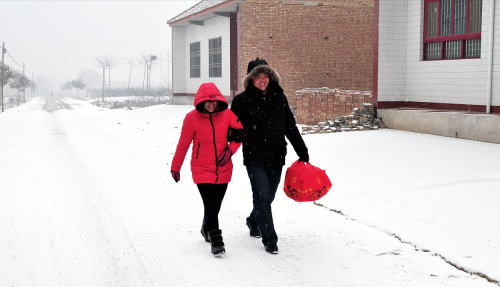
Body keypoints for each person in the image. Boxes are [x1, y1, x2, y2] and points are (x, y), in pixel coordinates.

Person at [230, 58, 309, 254]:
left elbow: (290, 126)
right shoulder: (241, 100)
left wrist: (302, 150)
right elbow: (230, 128)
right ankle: (270, 239)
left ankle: (253, 220)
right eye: (258, 76)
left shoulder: (279, 98)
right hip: (254, 157)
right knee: (263, 195)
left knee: (269, 195)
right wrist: (234, 139)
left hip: (276, 156)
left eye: (265, 76)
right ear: (251, 79)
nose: (262, 80)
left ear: (271, 77)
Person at [171, 82, 243, 256]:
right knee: (211, 204)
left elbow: (240, 133)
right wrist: (176, 166)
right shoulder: (191, 118)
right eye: (207, 101)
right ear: (200, 102)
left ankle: (206, 227)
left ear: (219, 101)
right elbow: (183, 144)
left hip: (223, 167)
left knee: (215, 205)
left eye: (214, 101)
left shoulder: (227, 114)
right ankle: (216, 240)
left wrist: (230, 151)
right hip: (201, 168)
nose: (211, 104)